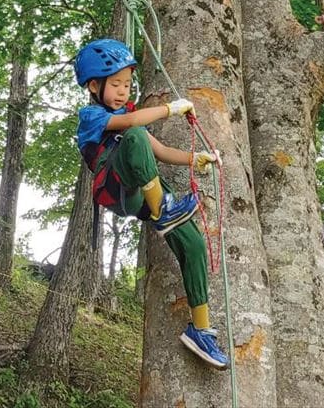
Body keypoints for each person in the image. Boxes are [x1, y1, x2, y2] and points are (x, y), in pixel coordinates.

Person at [74, 38, 229, 371]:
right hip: (121, 190)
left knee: (194, 244)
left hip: (146, 191)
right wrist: (171, 108)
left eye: (128, 84)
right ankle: (164, 211)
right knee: (135, 134)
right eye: (115, 84)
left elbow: (159, 151)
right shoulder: (90, 116)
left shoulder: (130, 117)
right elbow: (134, 129)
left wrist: (195, 159)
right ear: (93, 85)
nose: (123, 91)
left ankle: (200, 329)